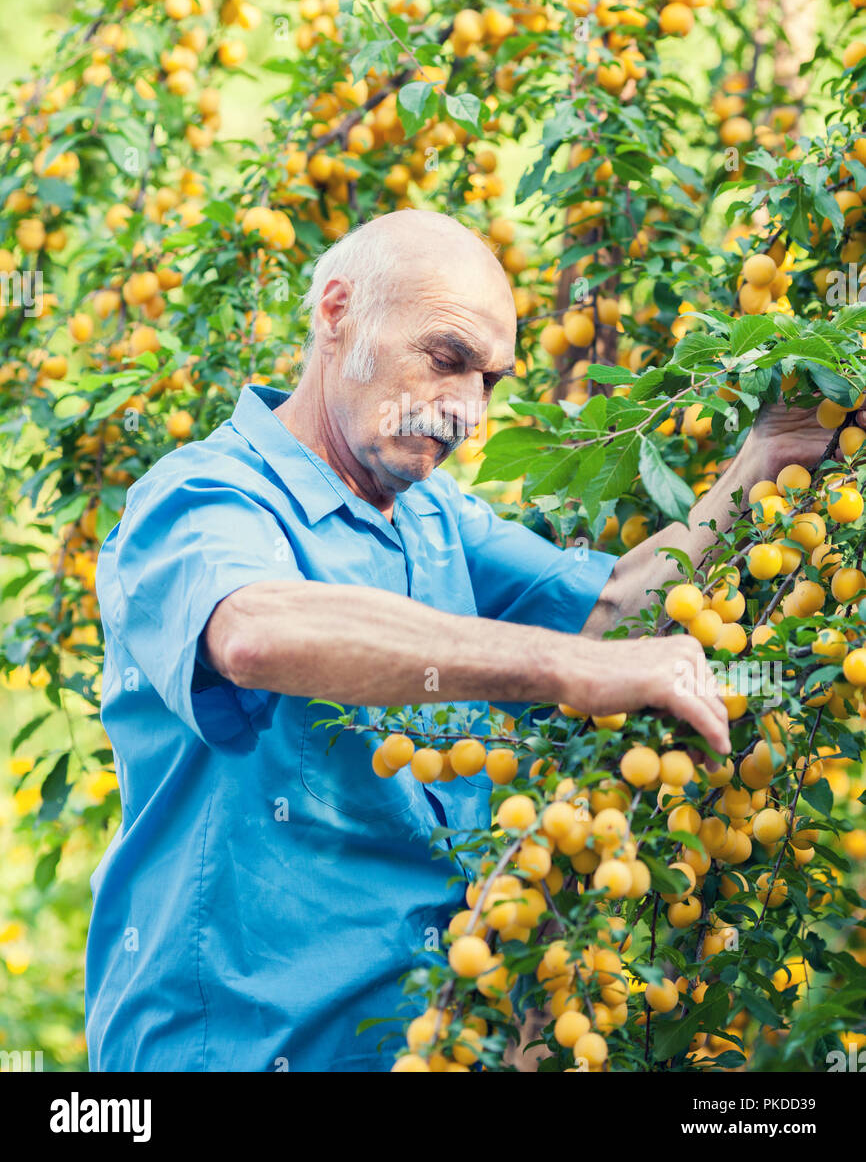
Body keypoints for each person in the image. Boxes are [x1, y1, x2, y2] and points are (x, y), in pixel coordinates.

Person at [85, 209, 829, 1072]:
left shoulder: (435, 518)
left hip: (428, 1047)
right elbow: (256, 631)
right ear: (336, 313)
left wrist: (765, 458)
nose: (466, 412)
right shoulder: (199, 498)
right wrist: (568, 668)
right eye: (445, 361)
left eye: (489, 382)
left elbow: (619, 608)